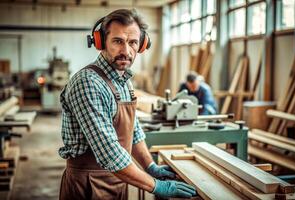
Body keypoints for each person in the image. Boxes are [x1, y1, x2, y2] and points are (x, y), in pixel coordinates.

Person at [58, 9, 196, 200]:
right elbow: (110, 155)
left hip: (118, 179)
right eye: (117, 41)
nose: (126, 51)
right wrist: (157, 186)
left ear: (141, 45)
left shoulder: (124, 80)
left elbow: (134, 131)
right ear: (100, 42)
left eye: (132, 42)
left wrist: (150, 166)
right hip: (88, 184)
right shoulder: (88, 83)